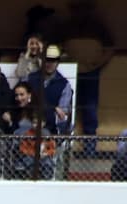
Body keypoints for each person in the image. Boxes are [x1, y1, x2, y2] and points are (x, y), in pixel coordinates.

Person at [62, 0, 113, 151]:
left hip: (91, 73)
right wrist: (65, 62)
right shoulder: (66, 28)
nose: (80, 13)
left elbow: (110, 48)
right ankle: (64, 146)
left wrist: (97, 64)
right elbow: (56, 47)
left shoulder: (98, 28)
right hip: (70, 73)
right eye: (77, 9)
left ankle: (90, 149)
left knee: (90, 109)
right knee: (66, 107)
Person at [26, 44, 71, 133]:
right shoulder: (30, 78)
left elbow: (62, 113)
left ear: (58, 62)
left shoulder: (64, 84)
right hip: (29, 122)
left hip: (50, 127)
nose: (49, 64)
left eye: (53, 61)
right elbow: (24, 102)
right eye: (47, 60)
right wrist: (53, 108)